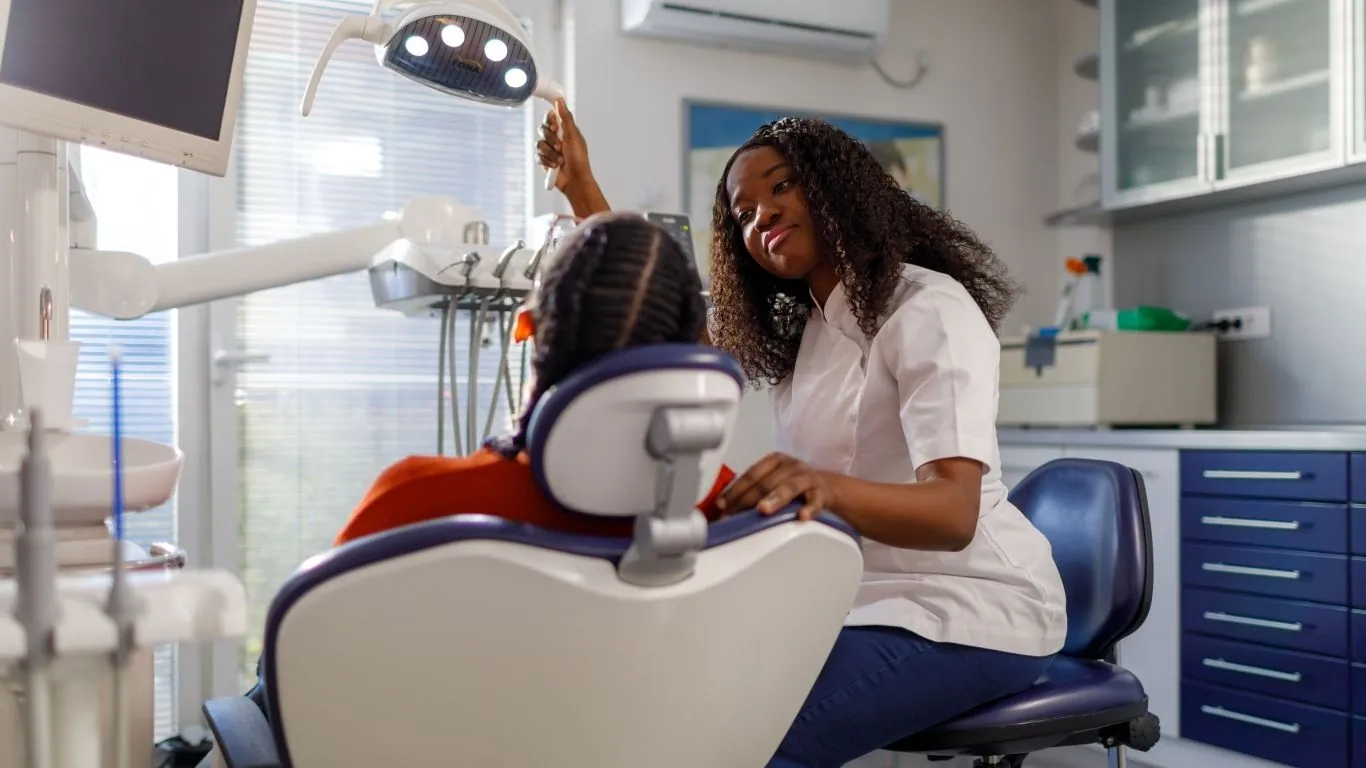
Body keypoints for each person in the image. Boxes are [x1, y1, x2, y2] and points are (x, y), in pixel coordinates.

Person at [538, 103, 1068, 767]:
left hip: (971, 609)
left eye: (782, 187)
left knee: (754, 739)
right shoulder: (809, 328)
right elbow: (665, 325)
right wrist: (580, 187)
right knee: (682, 698)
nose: (763, 215)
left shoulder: (928, 310)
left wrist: (820, 486)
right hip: (858, 599)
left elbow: (954, 513)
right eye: (743, 212)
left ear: (836, 187)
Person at [334, 211, 735, 546]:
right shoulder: (733, 506)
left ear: (527, 327)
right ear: (691, 353)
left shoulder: (412, 504)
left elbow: (301, 636)